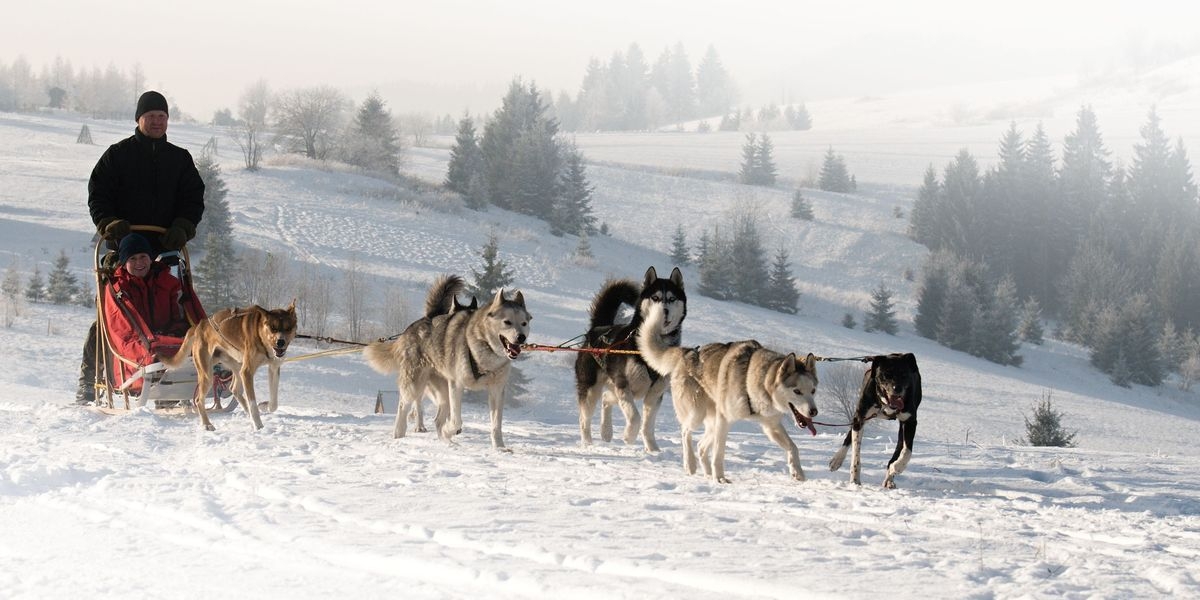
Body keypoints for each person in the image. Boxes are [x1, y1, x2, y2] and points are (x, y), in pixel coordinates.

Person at [76, 90, 206, 404]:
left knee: (169, 314)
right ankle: (90, 383)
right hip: (122, 249)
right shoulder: (117, 155)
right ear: (139, 119)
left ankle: (170, 380)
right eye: (151, 117)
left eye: (162, 117)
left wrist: (184, 226)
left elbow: (193, 199)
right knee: (110, 319)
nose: (157, 122)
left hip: (165, 249)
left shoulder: (180, 159)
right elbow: (98, 194)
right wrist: (108, 222)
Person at [102, 234, 192, 389]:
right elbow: (123, 330)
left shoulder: (168, 283)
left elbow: (180, 317)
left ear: (151, 258)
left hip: (167, 340)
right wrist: (152, 341)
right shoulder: (118, 289)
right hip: (138, 345)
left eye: (143, 256)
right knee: (156, 353)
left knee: (196, 346)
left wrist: (172, 336)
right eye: (132, 259)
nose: (139, 263)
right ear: (124, 263)